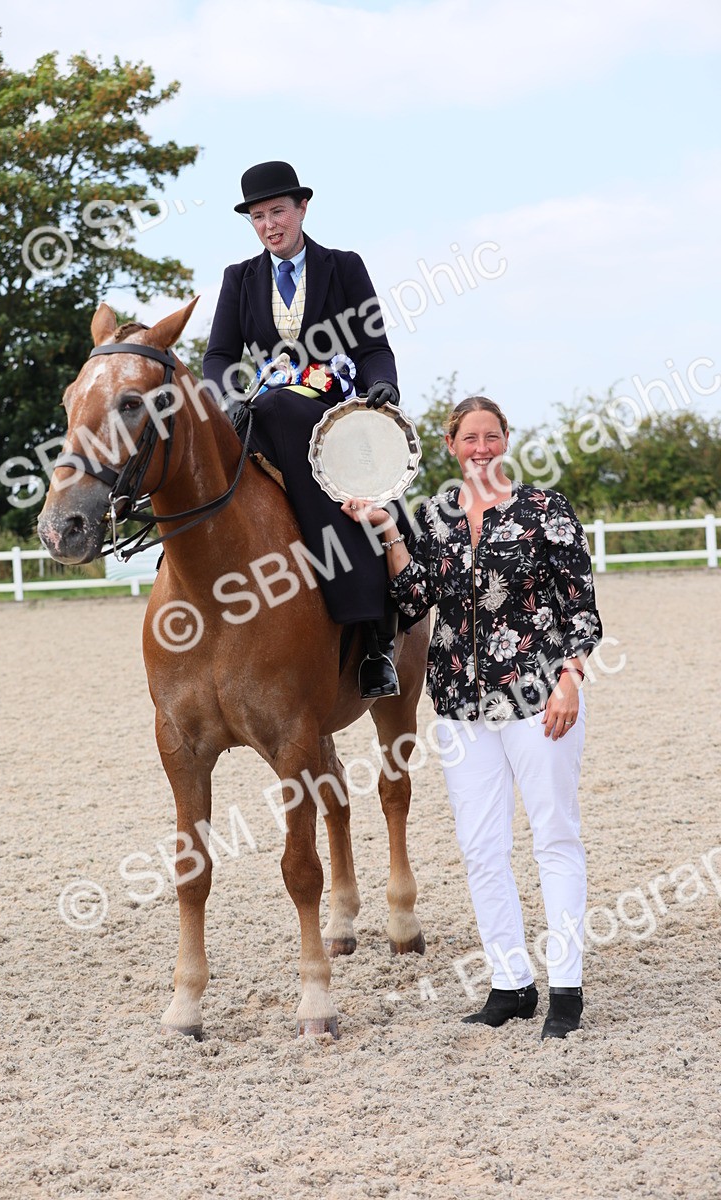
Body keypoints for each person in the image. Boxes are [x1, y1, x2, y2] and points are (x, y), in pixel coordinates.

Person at [343, 396, 603, 1039]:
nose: (481, 448)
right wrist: (387, 531)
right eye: (469, 438)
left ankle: (565, 991)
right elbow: (414, 594)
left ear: (507, 440)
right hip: (460, 705)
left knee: (554, 839)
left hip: (539, 697)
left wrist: (571, 678)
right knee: (483, 849)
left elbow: (582, 608)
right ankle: (510, 984)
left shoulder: (546, 511)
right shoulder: (435, 517)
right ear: (452, 445)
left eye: (491, 436)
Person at [203, 160, 405, 697]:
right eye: (258, 217)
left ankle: (374, 635)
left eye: (277, 212)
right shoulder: (239, 279)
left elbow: (372, 347)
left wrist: (383, 385)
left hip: (334, 414)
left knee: (356, 492)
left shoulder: (344, 266)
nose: (269, 225)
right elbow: (220, 354)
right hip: (267, 415)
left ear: (301, 209)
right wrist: (227, 398)